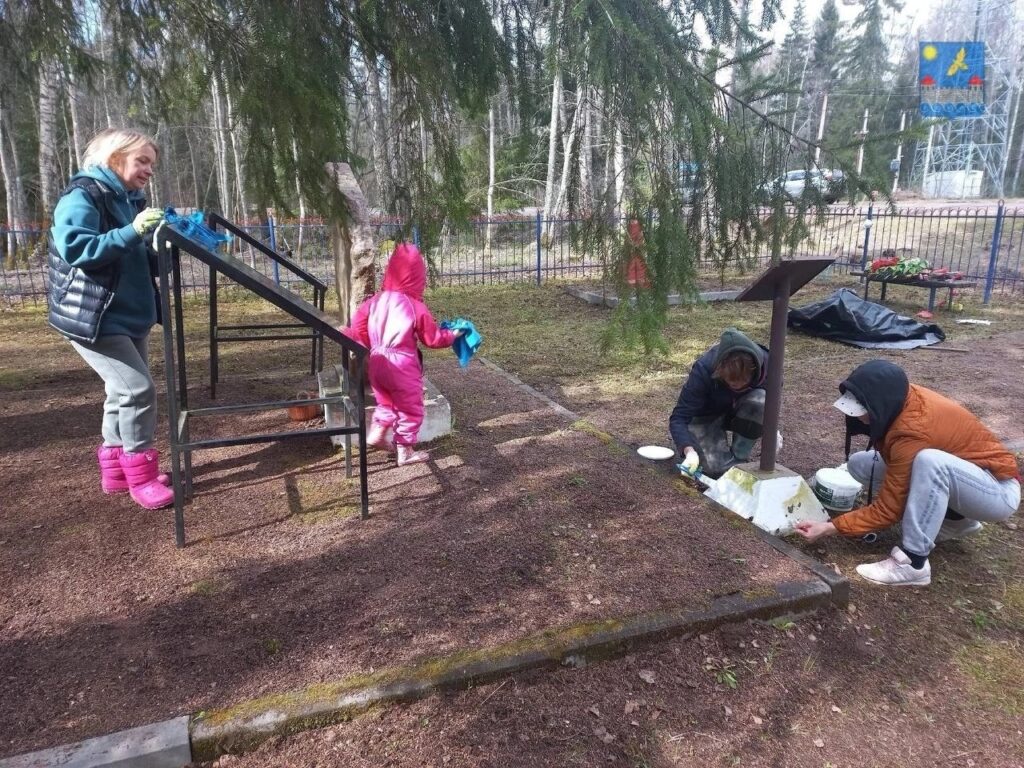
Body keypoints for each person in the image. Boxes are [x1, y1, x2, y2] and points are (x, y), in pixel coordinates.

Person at [795, 359, 1021, 587]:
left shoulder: (912, 431)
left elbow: (888, 510)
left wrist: (829, 527)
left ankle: (913, 564)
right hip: (968, 479)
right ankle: (957, 521)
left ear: (880, 404)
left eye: (862, 410)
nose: (857, 416)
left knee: (931, 462)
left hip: (997, 491)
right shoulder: (898, 397)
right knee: (860, 464)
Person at [48, 128, 173, 510]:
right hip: (97, 318)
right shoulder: (83, 196)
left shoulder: (130, 200)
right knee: (136, 391)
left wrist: (162, 245)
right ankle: (142, 476)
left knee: (120, 392)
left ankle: (117, 473)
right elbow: (77, 248)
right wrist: (133, 231)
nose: (148, 170)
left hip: (130, 315)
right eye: (142, 161)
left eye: (152, 164)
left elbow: (136, 255)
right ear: (115, 158)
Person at [341, 242, 462, 466]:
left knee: (386, 401)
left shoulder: (374, 301)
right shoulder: (414, 306)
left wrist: (364, 342)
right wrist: (452, 335)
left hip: (376, 362)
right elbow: (433, 339)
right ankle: (405, 451)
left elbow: (358, 328)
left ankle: (378, 433)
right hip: (402, 366)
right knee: (410, 407)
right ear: (418, 277)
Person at [669, 328, 772, 477]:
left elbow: (772, 405)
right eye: (729, 379)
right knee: (716, 470)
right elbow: (679, 417)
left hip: (744, 409)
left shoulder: (769, 366)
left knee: (761, 400)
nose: (735, 384)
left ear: (754, 370)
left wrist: (772, 431)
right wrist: (689, 451)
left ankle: (739, 457)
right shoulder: (704, 368)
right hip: (707, 417)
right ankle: (724, 463)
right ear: (719, 368)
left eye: (742, 379)